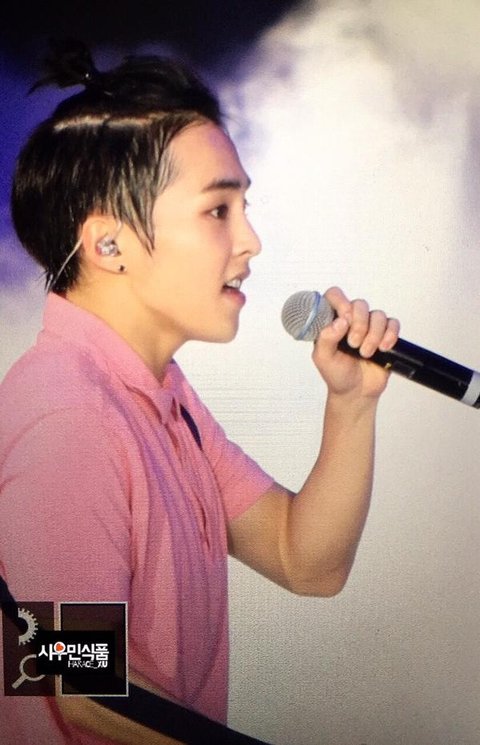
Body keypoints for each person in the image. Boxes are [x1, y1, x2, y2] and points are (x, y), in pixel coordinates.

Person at [0, 39, 400, 745]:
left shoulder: (160, 396)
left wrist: (352, 403)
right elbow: (78, 676)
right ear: (108, 244)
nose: (251, 241)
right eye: (219, 210)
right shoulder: (66, 412)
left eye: (244, 207)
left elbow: (304, 559)